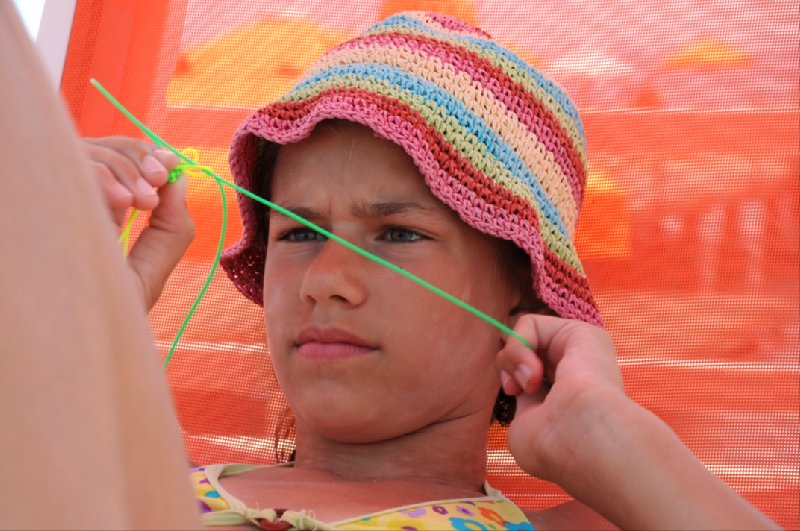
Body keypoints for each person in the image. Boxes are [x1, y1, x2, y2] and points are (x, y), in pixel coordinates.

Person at [1, 5, 777, 529]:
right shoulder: (146, 477)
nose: (323, 280)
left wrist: (606, 435)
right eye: (296, 233)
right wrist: (86, 326)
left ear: (521, 289)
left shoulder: (592, 519)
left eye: (397, 233)